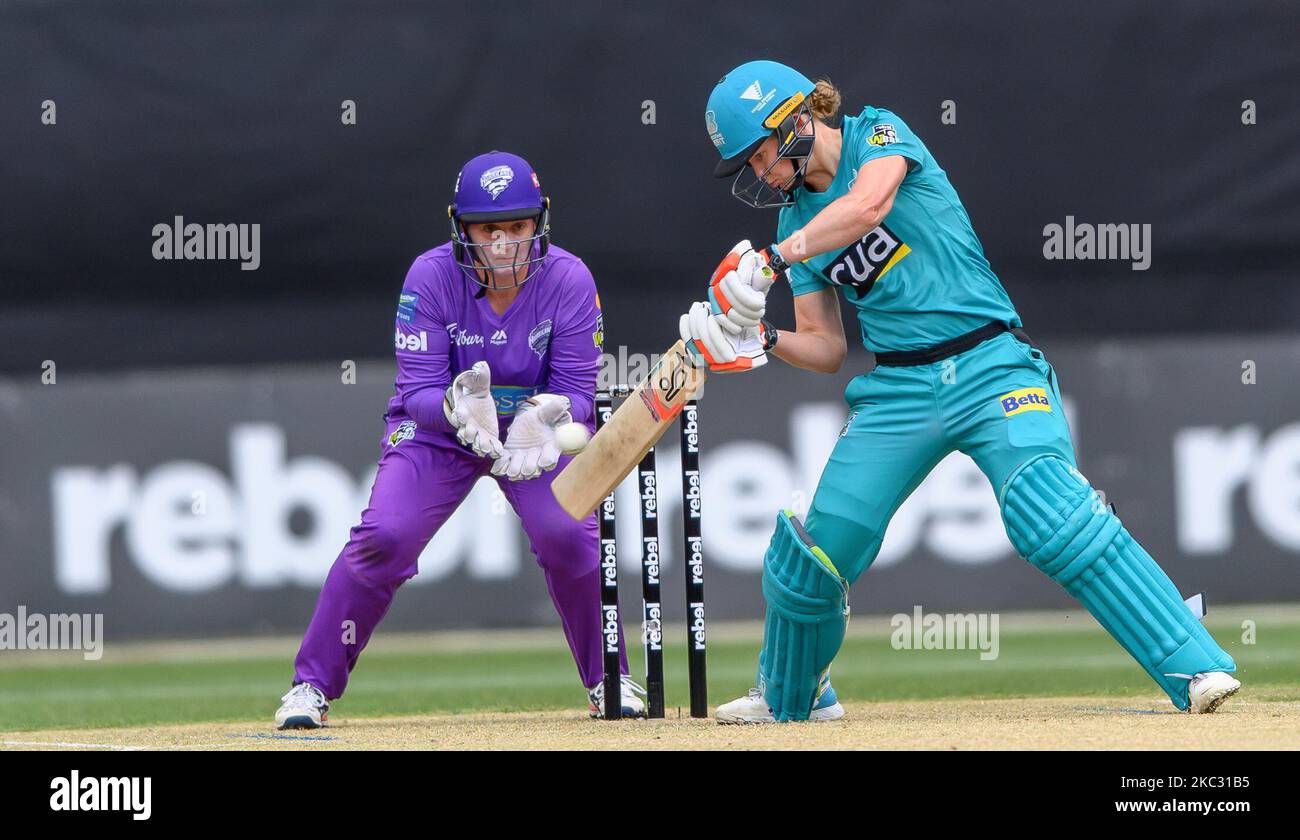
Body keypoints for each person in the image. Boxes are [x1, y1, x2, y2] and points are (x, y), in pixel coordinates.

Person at [680, 60, 1241, 722]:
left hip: (990, 362)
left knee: (1050, 514)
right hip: (899, 389)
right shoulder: (792, 224)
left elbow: (866, 207)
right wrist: (761, 342)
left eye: (759, 155)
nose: (758, 174)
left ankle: (1193, 662)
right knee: (815, 552)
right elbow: (827, 348)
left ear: (798, 120)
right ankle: (791, 693)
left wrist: (775, 262)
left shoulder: (879, 134)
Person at [276, 151, 643, 728]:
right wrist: (455, 409)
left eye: (518, 228)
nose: (503, 246)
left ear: (539, 222)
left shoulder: (569, 278)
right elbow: (418, 390)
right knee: (386, 536)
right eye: (488, 230)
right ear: (461, 228)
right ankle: (310, 687)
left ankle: (610, 679)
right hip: (444, 432)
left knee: (567, 534)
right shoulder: (430, 275)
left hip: (530, 432)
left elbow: (576, 394)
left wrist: (546, 414)